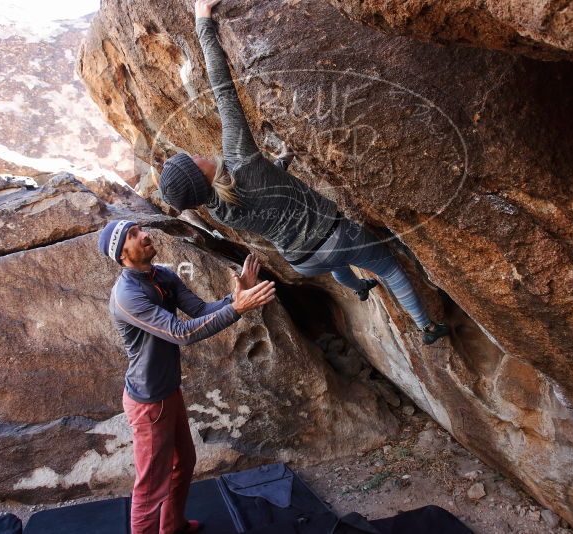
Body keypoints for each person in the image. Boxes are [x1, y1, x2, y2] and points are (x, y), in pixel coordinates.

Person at [159, 0, 450, 345]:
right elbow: (222, 89)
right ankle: (427, 327)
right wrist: (203, 23)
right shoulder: (238, 157)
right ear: (199, 176)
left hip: (303, 260)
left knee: (339, 264)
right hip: (335, 235)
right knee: (388, 268)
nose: (194, 153)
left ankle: (358, 287)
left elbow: (264, 199)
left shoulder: (217, 208)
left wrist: (280, 163)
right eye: (190, 160)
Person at [99, 219, 275, 534]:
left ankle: (172, 526)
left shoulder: (162, 275)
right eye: (134, 234)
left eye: (141, 229)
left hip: (168, 392)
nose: (145, 234)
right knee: (151, 486)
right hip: (149, 403)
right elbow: (181, 333)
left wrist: (234, 300)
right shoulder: (127, 295)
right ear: (122, 254)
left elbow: (199, 310)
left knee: (184, 463)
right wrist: (237, 309)